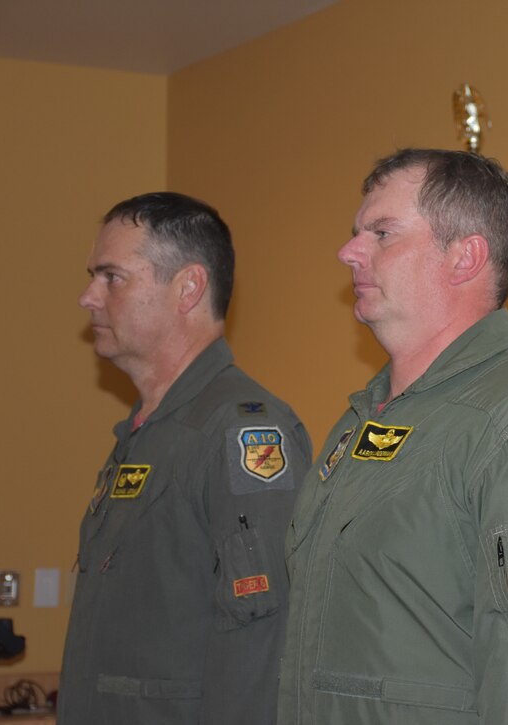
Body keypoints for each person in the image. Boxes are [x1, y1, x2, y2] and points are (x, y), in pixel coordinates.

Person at [277, 149, 508, 724]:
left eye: (382, 232)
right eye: (356, 233)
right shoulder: (364, 419)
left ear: (465, 257)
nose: (349, 251)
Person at [60, 192, 312, 725]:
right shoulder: (147, 432)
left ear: (188, 288)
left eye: (112, 277)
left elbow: (263, 638)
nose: (88, 297)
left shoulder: (241, 429)